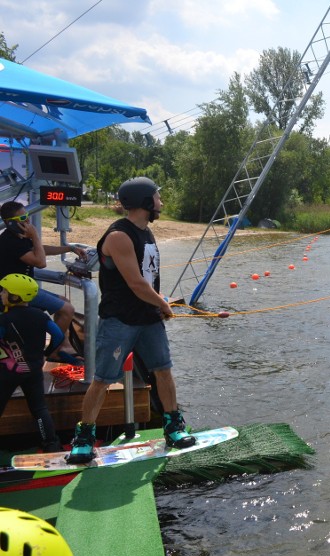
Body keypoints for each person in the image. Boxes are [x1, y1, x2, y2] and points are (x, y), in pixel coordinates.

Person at [67, 177, 195, 463]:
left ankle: (173, 426)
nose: (161, 202)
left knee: (163, 370)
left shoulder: (146, 232)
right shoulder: (119, 237)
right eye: (157, 197)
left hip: (148, 319)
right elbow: (136, 284)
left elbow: (148, 280)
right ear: (145, 202)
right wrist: (164, 304)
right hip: (120, 321)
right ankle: (84, 437)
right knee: (101, 379)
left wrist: (160, 304)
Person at [0, 200, 87, 365]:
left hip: (25, 289)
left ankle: (63, 346)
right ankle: (53, 352)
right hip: (14, 293)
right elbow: (40, 261)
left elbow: (41, 249)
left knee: (65, 302)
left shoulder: (18, 237)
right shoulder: (9, 241)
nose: (28, 221)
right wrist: (35, 236)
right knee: (67, 309)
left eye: (28, 216)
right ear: (9, 223)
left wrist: (69, 249)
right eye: (23, 218)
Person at [0, 273, 63, 452]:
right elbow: (58, 336)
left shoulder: (4, 319)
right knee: (39, 409)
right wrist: (46, 353)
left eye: (4, 291)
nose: (1, 294)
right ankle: (51, 444)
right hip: (33, 369)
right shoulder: (40, 316)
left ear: (14, 296)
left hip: (8, 373)